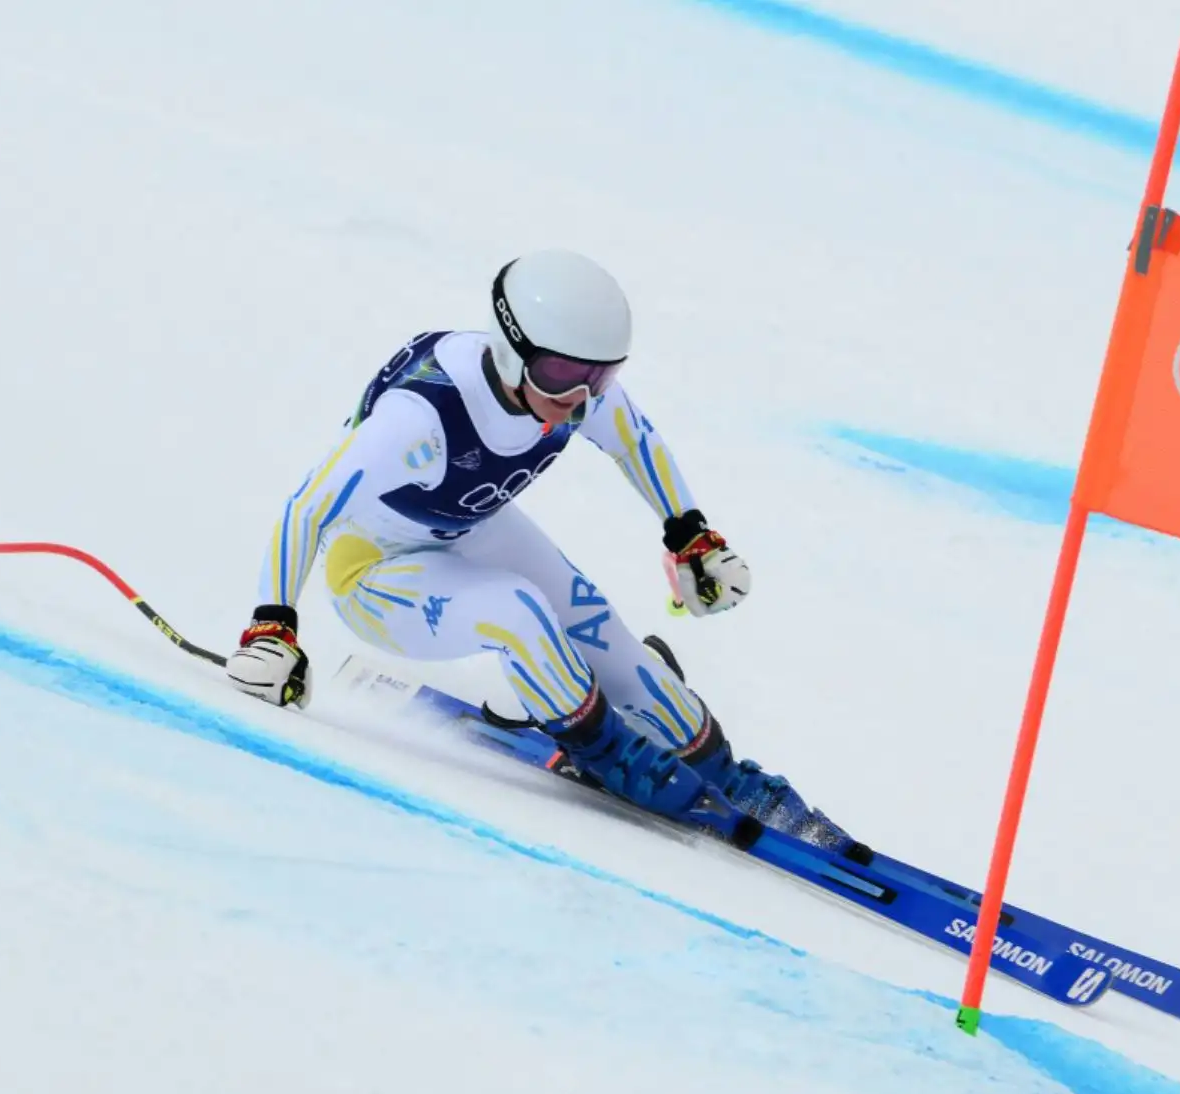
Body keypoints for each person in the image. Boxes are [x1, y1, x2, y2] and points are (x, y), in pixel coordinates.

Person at [223, 249, 852, 851]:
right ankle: (604, 750)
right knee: (518, 611)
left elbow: (635, 443)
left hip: (472, 528)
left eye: (599, 376)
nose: (579, 398)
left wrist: (688, 535)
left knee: (606, 637)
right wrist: (272, 629)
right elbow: (307, 507)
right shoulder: (422, 414)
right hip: (375, 568)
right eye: (560, 374)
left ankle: (722, 769)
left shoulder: (576, 391)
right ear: (508, 346)